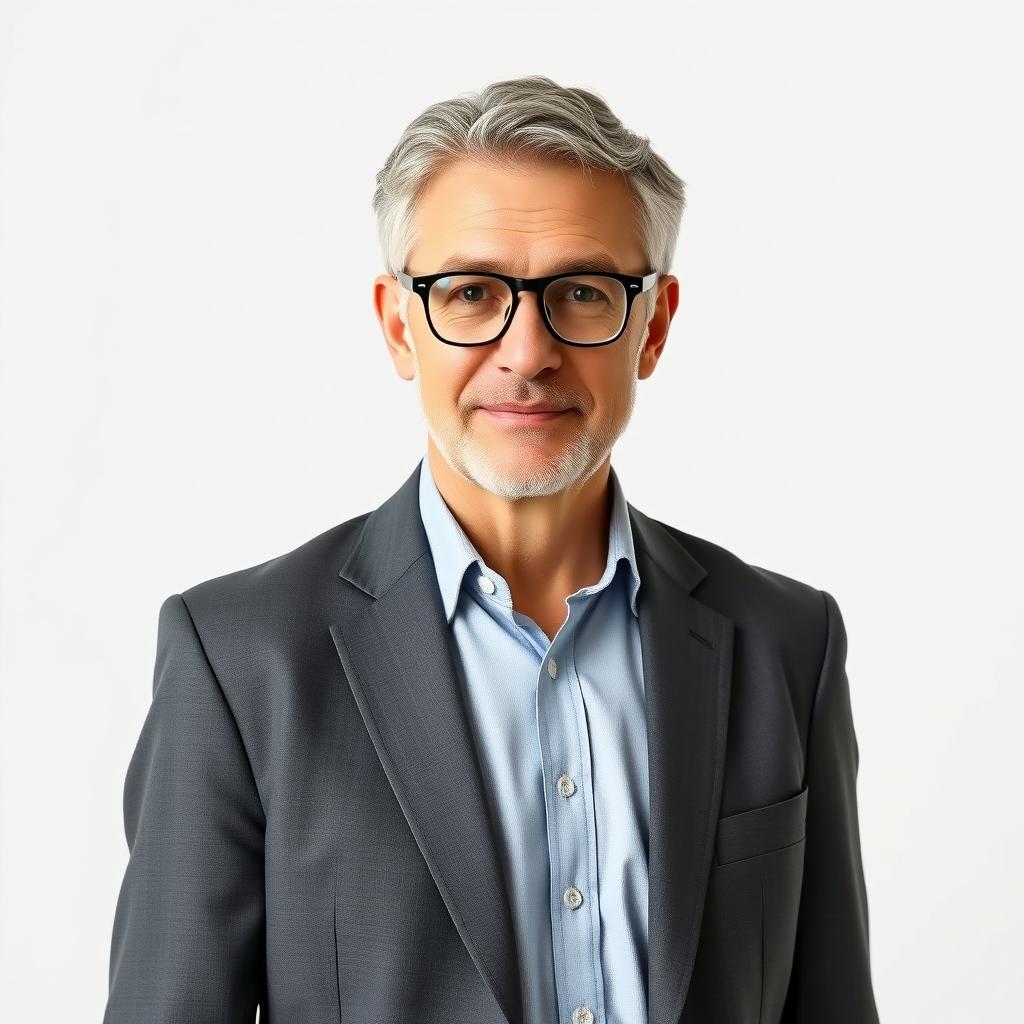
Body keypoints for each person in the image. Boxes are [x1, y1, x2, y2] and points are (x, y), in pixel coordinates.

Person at [103, 75, 880, 1024]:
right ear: (399, 325)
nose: (526, 352)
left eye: (583, 293)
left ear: (655, 325)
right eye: (471, 293)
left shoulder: (787, 643)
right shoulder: (241, 659)